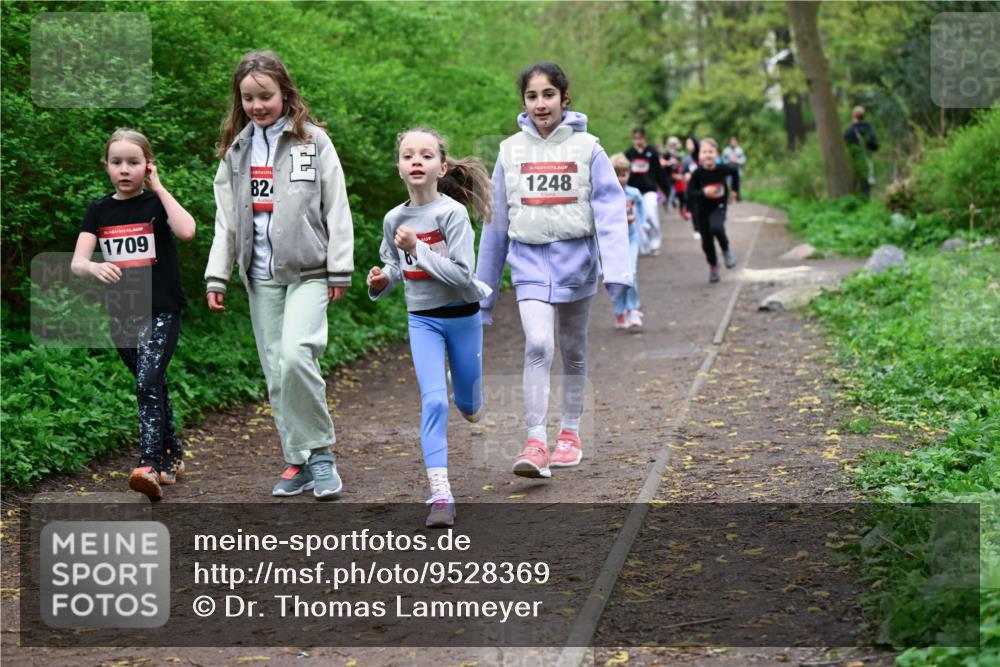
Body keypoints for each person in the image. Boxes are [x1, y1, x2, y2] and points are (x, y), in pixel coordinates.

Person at [205, 50, 354, 500]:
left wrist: (339, 267)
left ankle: (322, 453)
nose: (257, 105)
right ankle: (298, 460)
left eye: (265, 96)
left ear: (285, 93)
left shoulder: (313, 142)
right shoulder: (237, 151)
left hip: (309, 269)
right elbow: (227, 220)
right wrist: (218, 274)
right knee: (275, 371)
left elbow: (336, 205)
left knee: (295, 356)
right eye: (248, 98)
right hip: (260, 273)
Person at [478, 62, 632, 478]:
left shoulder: (589, 148)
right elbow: (495, 222)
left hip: (576, 264)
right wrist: (485, 291)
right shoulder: (509, 151)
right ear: (524, 102)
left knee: (573, 348)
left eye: (548, 95)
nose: (540, 104)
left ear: (565, 99)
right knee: (539, 344)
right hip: (528, 263)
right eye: (532, 96)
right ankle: (535, 441)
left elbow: (611, 211)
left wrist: (618, 272)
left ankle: (570, 432)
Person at [367, 127, 493, 528]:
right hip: (422, 320)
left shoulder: (452, 214)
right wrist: (382, 281)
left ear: (441, 167)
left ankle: (468, 396)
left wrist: (416, 249)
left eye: (425, 155)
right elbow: (394, 267)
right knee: (434, 402)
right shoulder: (394, 218)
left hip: (462, 315)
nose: (416, 161)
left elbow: (460, 275)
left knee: (468, 403)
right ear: (400, 168)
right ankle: (441, 494)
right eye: (408, 155)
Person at [71, 128, 197, 500]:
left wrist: (159, 188)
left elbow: (188, 231)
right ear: (107, 166)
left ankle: (149, 464)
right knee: (151, 383)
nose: (125, 169)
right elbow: (78, 262)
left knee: (146, 381)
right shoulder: (99, 210)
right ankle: (173, 454)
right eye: (117, 162)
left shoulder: (157, 204)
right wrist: (95, 269)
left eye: (134, 162)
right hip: (123, 312)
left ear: (147, 166)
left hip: (162, 309)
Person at [688, 137, 740, 284]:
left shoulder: (722, 169)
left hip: (719, 206)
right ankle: (713, 266)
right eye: (704, 152)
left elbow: (735, 172)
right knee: (707, 243)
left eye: (711, 151)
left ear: (716, 154)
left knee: (717, 227)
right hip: (701, 210)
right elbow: (690, 193)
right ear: (699, 156)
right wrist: (704, 192)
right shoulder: (697, 173)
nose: (708, 155)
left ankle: (726, 250)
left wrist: (735, 191)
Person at [610, 153, 645, 332]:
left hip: (631, 238)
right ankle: (619, 312)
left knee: (630, 273)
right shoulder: (608, 195)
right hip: (614, 241)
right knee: (617, 278)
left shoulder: (633, 193)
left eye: (623, 174)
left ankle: (633, 309)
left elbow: (641, 205)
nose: (620, 178)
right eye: (616, 174)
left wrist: (643, 222)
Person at [625, 126, 672, 255]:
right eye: (635, 138)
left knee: (651, 214)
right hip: (634, 192)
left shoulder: (651, 152)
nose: (637, 140)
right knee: (637, 219)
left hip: (649, 190)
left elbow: (659, 172)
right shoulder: (629, 154)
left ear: (644, 137)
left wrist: (666, 190)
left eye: (640, 138)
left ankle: (655, 243)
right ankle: (643, 246)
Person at [844, 105, 879, 196]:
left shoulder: (849, 132)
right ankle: (866, 207)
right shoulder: (869, 129)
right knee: (865, 190)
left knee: (853, 189)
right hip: (866, 162)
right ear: (864, 116)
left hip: (853, 164)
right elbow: (875, 146)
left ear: (853, 116)